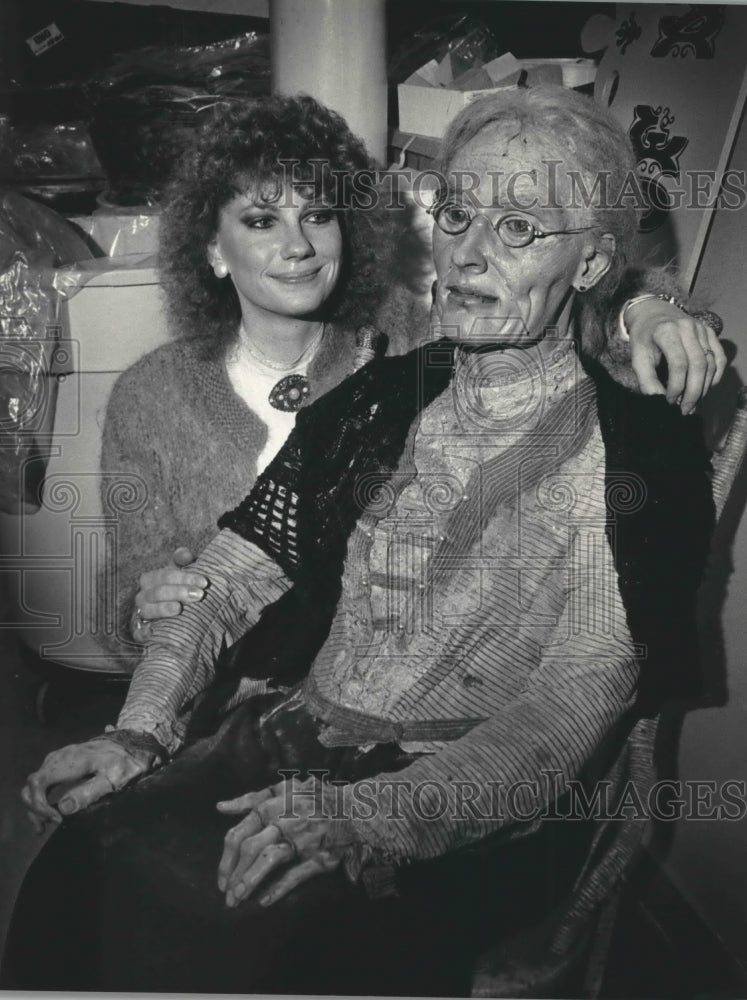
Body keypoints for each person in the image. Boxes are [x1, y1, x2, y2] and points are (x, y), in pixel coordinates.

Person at [6, 85, 719, 996]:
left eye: (517, 230)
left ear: (588, 265)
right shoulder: (385, 398)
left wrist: (374, 819)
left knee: (262, 944)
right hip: (294, 730)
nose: (465, 254)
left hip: (467, 792)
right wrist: (139, 732)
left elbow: (574, 699)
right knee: (87, 860)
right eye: (457, 214)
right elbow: (221, 581)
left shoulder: (633, 454)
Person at [104, 97, 723, 666]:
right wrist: (143, 611)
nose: (297, 246)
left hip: (404, 699)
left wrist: (646, 308)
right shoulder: (149, 398)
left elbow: (573, 305)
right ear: (212, 248)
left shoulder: (415, 338)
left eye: (317, 214)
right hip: (224, 703)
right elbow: (119, 603)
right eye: (262, 221)